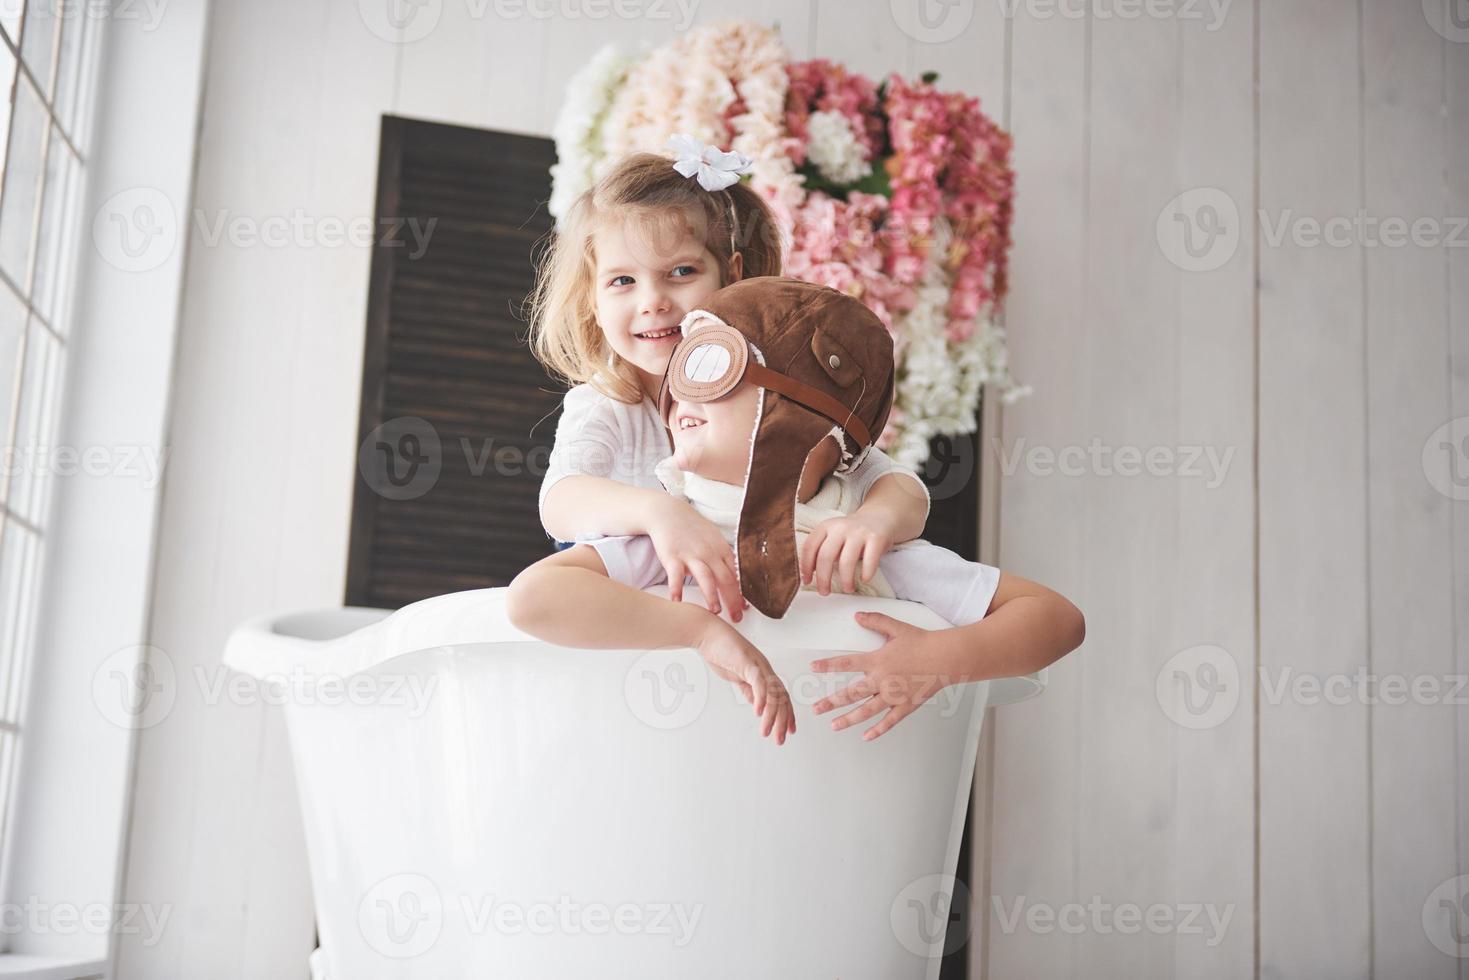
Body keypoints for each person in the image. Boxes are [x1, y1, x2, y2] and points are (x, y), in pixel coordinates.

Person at [508, 277, 1085, 745]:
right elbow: (534, 600)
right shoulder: (683, 542)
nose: (680, 391)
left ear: (804, 415)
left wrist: (938, 659)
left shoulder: (857, 555)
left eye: (708, 367)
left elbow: (1056, 619)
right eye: (679, 369)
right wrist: (699, 631)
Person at [525, 135, 931, 625]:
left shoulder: (766, 384)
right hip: (643, 620)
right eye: (622, 281)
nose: (652, 301)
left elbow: (891, 480)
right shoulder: (607, 404)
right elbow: (562, 499)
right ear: (593, 299)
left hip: (750, 612)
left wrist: (875, 520)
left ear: (730, 277)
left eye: (680, 271)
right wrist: (661, 515)